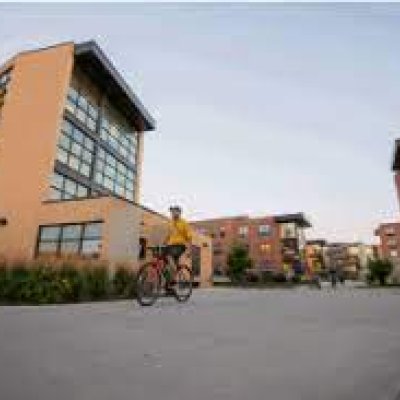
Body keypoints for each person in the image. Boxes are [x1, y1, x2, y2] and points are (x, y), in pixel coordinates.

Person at [164, 205, 193, 273]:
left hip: (179, 245)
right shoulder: (171, 223)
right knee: (162, 257)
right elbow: (169, 235)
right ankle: (170, 277)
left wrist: (189, 250)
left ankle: (174, 272)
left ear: (179, 213)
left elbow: (189, 237)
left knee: (169, 256)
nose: (173, 213)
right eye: (172, 212)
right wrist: (164, 243)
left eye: (174, 212)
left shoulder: (183, 223)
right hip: (170, 245)